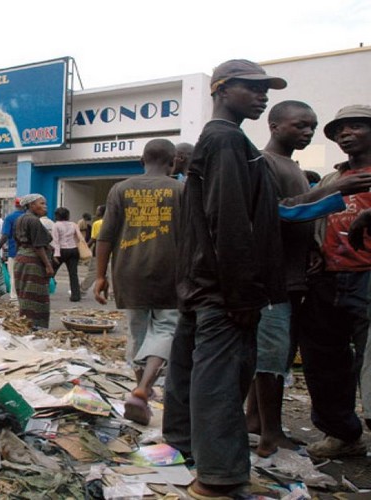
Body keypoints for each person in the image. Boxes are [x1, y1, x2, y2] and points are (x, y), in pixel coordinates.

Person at [162, 59, 288, 498]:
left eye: (265, 89)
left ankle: (183, 451)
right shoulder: (228, 140)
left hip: (202, 285)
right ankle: (218, 481)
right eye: (251, 88)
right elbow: (230, 221)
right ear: (220, 90)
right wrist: (242, 295)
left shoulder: (216, 141)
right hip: (222, 290)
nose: (262, 96)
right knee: (220, 381)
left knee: (191, 373)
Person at [296, 104, 371, 459]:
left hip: (368, 278)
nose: (345, 133)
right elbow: (310, 218)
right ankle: (342, 434)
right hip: (328, 280)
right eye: (340, 129)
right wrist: (313, 250)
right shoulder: (331, 180)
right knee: (323, 360)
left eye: (355, 126)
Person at [93, 139, 182, 425]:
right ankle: (144, 389)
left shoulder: (120, 189)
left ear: (142, 159)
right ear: (174, 162)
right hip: (171, 272)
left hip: (128, 272)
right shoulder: (181, 190)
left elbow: (105, 236)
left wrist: (100, 276)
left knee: (137, 330)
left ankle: (139, 387)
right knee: (167, 327)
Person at [14, 193, 54, 329]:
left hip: (21, 259)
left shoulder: (20, 219)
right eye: (41, 203)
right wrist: (48, 265)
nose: (45, 207)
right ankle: (34, 325)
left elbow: (18, 242)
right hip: (33, 262)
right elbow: (38, 245)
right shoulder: (34, 221)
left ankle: (25, 322)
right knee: (36, 294)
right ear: (31, 205)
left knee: (24, 294)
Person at [51, 207, 83, 302]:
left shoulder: (56, 225)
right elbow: (80, 237)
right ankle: (75, 295)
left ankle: (42, 291)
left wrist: (56, 255)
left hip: (61, 250)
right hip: (73, 250)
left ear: (57, 216)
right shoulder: (73, 224)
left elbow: (55, 241)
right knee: (73, 274)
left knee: (51, 271)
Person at [0, 198, 25, 300]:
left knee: (14, 276)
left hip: (14, 252)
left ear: (15, 205)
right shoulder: (30, 217)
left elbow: (5, 235)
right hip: (29, 252)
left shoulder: (10, 218)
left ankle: (14, 297)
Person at [80, 204, 106, 294]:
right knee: (110, 273)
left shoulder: (97, 223)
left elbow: (94, 238)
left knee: (92, 272)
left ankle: (82, 290)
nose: (96, 212)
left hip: (98, 252)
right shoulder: (112, 222)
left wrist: (85, 248)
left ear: (102, 212)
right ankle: (112, 294)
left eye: (98, 210)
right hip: (111, 252)